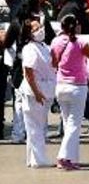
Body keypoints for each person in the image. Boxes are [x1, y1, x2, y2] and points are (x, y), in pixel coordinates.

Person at [48, 13, 89, 170]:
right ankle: (63, 157)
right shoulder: (80, 43)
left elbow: (53, 63)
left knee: (68, 123)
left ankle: (71, 158)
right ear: (76, 25)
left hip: (61, 85)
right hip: (77, 87)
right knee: (74, 125)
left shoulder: (55, 41)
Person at [18, 15, 55, 168]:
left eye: (40, 27)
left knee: (37, 126)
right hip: (35, 92)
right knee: (35, 128)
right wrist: (37, 92)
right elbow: (28, 73)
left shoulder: (44, 47)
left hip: (44, 90)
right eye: (36, 28)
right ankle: (39, 160)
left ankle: (32, 159)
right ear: (29, 33)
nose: (40, 30)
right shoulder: (29, 49)